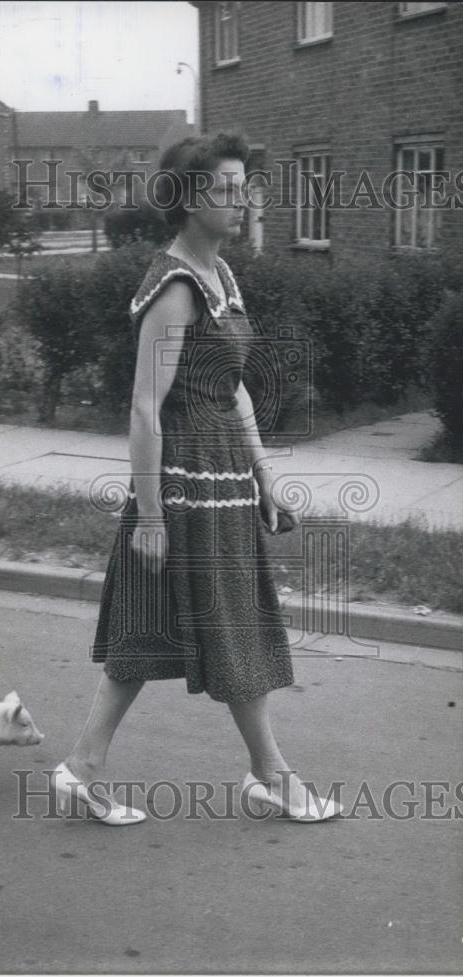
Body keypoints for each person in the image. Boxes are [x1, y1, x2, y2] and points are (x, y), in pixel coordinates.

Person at [52, 132, 341, 825]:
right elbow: (144, 406)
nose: (242, 200)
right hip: (180, 485)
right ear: (186, 199)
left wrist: (264, 475)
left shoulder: (221, 276)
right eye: (226, 188)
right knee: (214, 627)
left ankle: (82, 767)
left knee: (162, 628)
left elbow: (231, 387)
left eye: (245, 186)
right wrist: (150, 516)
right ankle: (271, 774)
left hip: (222, 477)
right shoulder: (175, 286)